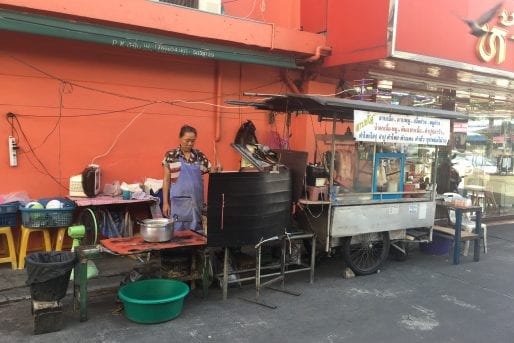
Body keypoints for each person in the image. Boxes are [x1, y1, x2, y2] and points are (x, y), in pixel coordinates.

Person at [162, 125, 220, 232]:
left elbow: (211, 171)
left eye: (193, 141)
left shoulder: (199, 155)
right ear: (180, 138)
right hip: (179, 203)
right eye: (187, 140)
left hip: (196, 202)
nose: (190, 144)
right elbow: (166, 180)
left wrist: (217, 169)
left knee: (197, 232)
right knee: (178, 232)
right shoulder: (171, 156)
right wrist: (165, 203)